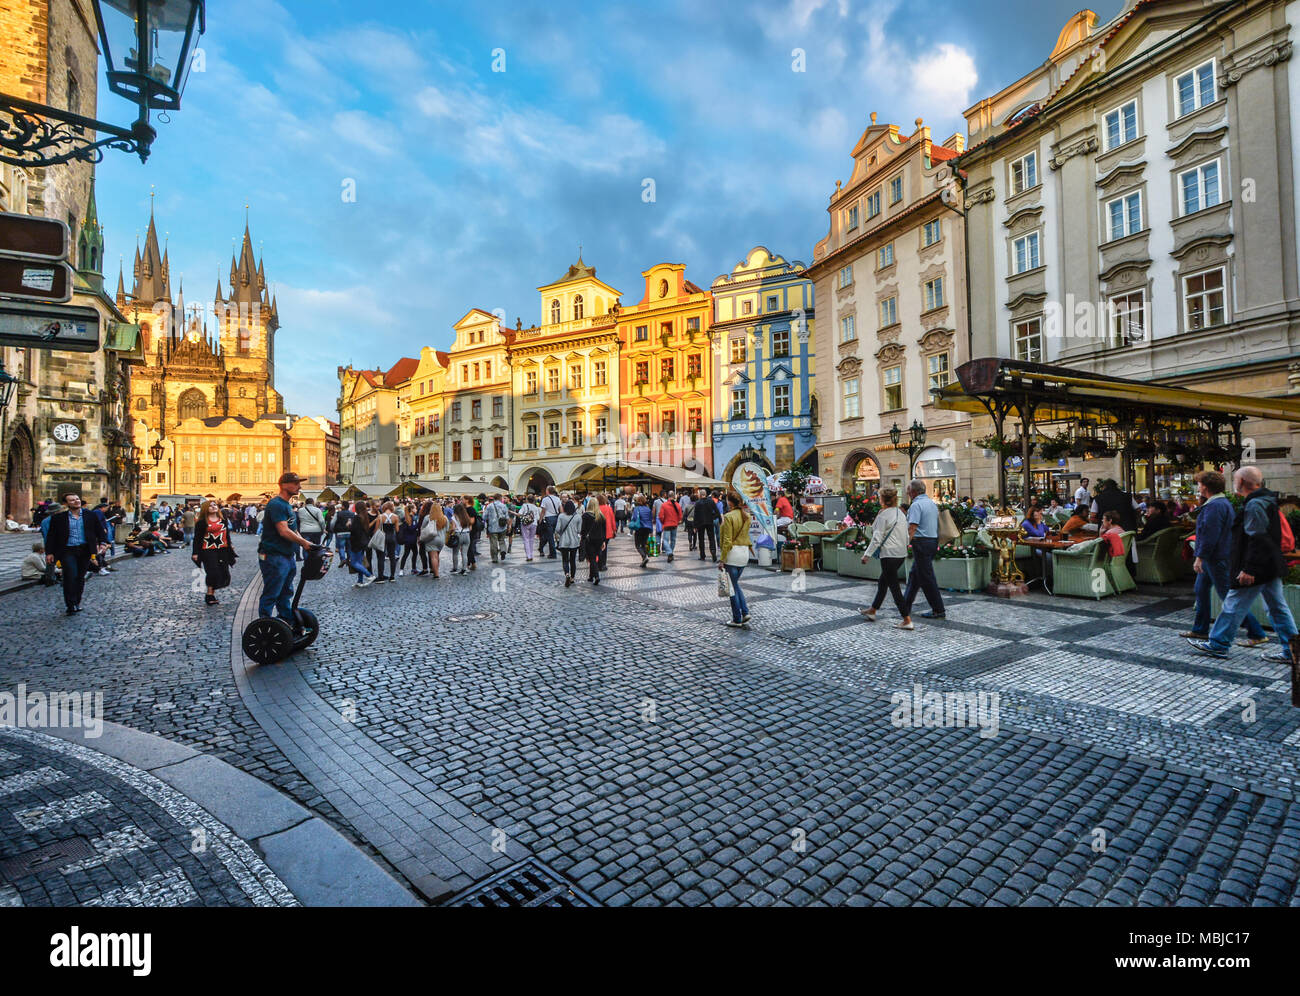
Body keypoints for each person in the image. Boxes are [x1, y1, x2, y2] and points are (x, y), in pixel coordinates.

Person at [1188, 466, 1298, 663]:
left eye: (1236, 479)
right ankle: (1292, 650)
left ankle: (1218, 644)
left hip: (1257, 568)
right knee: (1278, 609)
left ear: (1241, 483)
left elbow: (1257, 539)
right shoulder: (1266, 501)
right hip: (1268, 565)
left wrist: (1249, 569)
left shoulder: (1255, 505)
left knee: (1233, 604)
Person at [1181, 470, 1269, 648]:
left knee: (1228, 596)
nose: (1198, 487)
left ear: (1205, 487)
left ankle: (1256, 631)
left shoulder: (1215, 505)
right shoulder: (1218, 503)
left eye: (1199, 484)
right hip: (1216, 555)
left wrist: (1200, 557)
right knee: (1201, 589)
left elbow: (1209, 535)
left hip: (1216, 557)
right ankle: (1200, 628)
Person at [258, 472, 317, 621]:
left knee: (286, 592)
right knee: (273, 592)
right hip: (274, 555)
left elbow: (292, 528)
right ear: (284, 485)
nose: (300, 486)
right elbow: (283, 531)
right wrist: (304, 543)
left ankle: (286, 621)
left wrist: (306, 543)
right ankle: (265, 624)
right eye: (296, 483)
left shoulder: (286, 505)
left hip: (286, 555)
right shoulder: (276, 504)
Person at [45, 493, 109, 616]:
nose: (76, 501)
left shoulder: (90, 515)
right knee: (70, 576)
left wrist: (102, 542)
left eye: (77, 499)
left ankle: (76, 602)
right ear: (66, 503)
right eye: (72, 500)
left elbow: (100, 530)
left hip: (84, 550)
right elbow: (51, 537)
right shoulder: (59, 518)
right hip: (67, 550)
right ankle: (70, 604)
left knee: (80, 577)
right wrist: (50, 553)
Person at [859, 487, 910, 628]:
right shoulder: (901, 513)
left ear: (882, 499)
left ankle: (906, 619)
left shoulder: (883, 516)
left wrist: (867, 555)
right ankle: (872, 610)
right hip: (900, 554)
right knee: (883, 582)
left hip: (888, 554)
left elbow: (876, 537)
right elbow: (906, 535)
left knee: (894, 587)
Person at [899, 479, 945, 621]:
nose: (907, 493)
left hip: (921, 543)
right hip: (932, 541)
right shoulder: (931, 503)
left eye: (908, 491)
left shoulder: (916, 505)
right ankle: (905, 606)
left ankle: (938, 609)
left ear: (913, 492)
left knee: (926, 577)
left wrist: (905, 543)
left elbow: (912, 527)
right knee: (915, 574)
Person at [719, 491, 753, 629]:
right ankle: (744, 612)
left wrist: (722, 559)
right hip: (744, 553)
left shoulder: (728, 517)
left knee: (732, 588)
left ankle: (737, 618)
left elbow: (727, 541)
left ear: (730, 502)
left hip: (732, 554)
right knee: (735, 585)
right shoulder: (747, 516)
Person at [192, 500, 236, 605]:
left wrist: (230, 545)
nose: (213, 507)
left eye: (214, 505)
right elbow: (197, 538)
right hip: (208, 550)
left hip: (222, 549)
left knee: (223, 571)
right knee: (213, 571)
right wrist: (195, 552)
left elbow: (226, 534)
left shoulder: (223, 520)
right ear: (205, 509)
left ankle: (212, 591)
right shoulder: (202, 522)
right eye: (210, 506)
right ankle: (209, 594)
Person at [554, 497, 583, 587]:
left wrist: (559, 534)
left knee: (565, 560)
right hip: (574, 541)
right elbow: (579, 530)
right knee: (573, 560)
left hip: (564, 541)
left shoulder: (561, 516)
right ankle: (572, 578)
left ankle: (567, 574)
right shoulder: (577, 517)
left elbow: (557, 529)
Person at [346, 504, 376, 587]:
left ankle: (369, 575)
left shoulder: (357, 518)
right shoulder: (365, 517)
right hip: (363, 542)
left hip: (356, 542)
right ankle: (360, 581)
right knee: (359, 562)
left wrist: (349, 524)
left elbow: (353, 530)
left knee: (353, 562)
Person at [580, 496, 605, 584]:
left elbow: (583, 529)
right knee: (594, 557)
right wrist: (604, 541)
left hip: (589, 540)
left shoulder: (586, 515)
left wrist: (582, 538)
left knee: (592, 558)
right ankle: (591, 576)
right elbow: (604, 530)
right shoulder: (601, 516)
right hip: (599, 540)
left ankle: (596, 576)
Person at [692, 487, 718, 561]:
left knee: (701, 539)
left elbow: (695, 515)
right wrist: (714, 517)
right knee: (711, 538)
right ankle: (713, 552)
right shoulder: (711, 501)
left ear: (700, 495)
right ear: (706, 494)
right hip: (709, 522)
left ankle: (702, 555)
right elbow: (716, 511)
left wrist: (694, 526)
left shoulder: (697, 503)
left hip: (700, 523)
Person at [657, 490, 682, 563]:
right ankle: (670, 553)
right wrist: (678, 521)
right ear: (674, 496)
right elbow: (680, 516)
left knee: (665, 540)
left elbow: (660, 516)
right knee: (673, 540)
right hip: (674, 524)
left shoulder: (664, 505)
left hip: (667, 524)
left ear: (668, 496)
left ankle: (669, 552)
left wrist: (663, 522)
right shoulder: (677, 505)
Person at [630, 494, 654, 568]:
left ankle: (644, 556)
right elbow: (650, 520)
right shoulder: (648, 509)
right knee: (643, 544)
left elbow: (634, 518)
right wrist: (651, 531)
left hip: (639, 528)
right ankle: (644, 559)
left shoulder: (637, 508)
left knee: (637, 545)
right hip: (647, 528)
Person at [485, 494, 510, 563]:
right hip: (502, 526)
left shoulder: (489, 506)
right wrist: (509, 526)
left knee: (493, 543)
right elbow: (507, 517)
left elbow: (484, 516)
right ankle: (503, 550)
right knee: (502, 540)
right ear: (500, 498)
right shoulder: (503, 506)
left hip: (492, 528)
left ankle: (495, 558)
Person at [450, 500, 472, 575]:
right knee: (464, 553)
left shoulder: (454, 517)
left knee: (455, 553)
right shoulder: (466, 516)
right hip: (467, 535)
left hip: (458, 535)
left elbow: (453, 528)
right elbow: (470, 527)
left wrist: (450, 533)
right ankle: (464, 569)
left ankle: (455, 568)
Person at [518, 494, 541, 561]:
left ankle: (528, 556)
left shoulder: (524, 506)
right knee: (531, 539)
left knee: (526, 539)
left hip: (525, 523)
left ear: (527, 500)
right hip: (534, 523)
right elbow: (538, 518)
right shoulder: (535, 507)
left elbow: (520, 514)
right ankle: (531, 554)